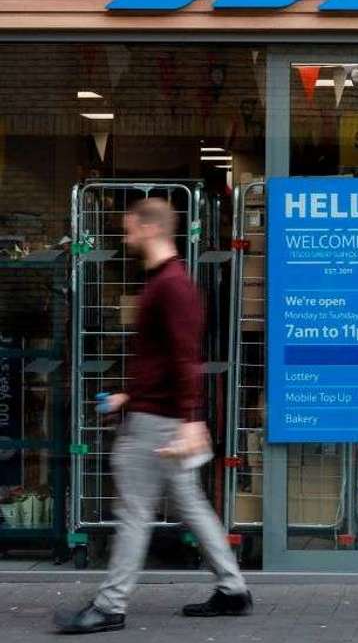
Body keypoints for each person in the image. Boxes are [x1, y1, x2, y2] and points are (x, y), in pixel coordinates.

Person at [55, 199, 252, 634]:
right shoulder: (166, 282)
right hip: (157, 412)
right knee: (191, 505)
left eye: (129, 228)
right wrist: (130, 394)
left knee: (133, 511)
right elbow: (164, 358)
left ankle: (110, 606)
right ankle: (233, 588)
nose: (125, 236)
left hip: (157, 423)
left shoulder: (171, 286)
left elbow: (186, 357)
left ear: (150, 227)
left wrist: (190, 419)